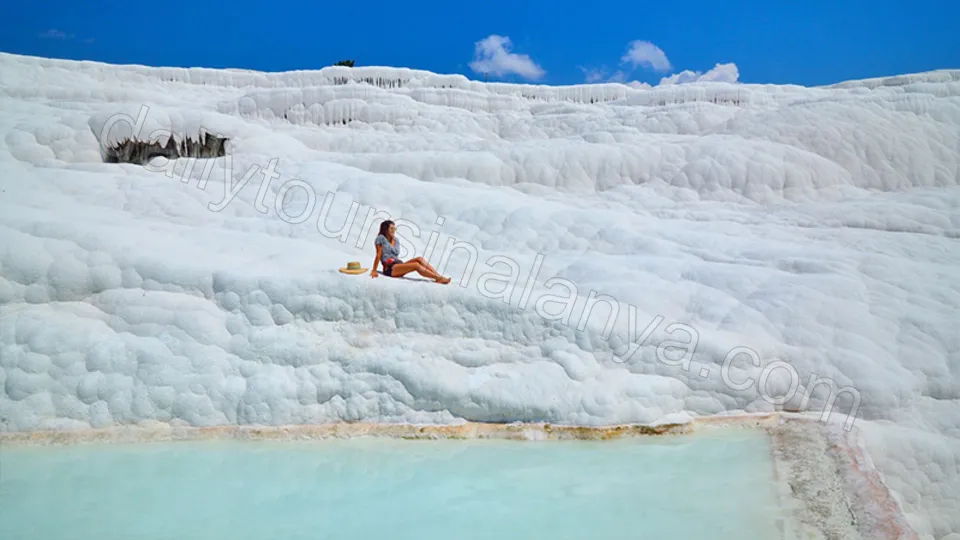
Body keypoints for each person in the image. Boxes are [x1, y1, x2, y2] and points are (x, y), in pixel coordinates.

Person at [370, 220, 451, 284]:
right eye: (391, 228)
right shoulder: (381, 238)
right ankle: (438, 278)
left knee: (419, 259)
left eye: (394, 228)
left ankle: (438, 276)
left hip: (398, 265)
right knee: (416, 265)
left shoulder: (396, 240)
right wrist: (374, 270)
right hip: (389, 269)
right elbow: (378, 254)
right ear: (385, 229)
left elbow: (395, 255)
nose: (393, 230)